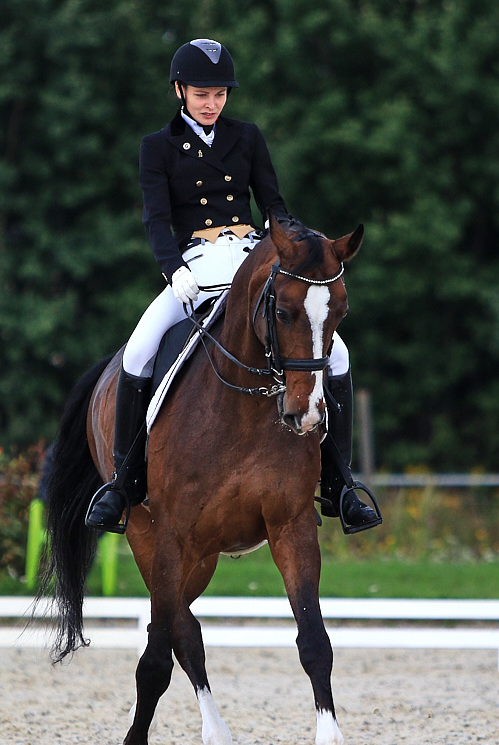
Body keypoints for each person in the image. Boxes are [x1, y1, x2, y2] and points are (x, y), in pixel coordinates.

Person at [85, 38, 381, 536]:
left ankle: (340, 485)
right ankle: (124, 483)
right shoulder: (157, 147)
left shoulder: (247, 137)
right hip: (195, 265)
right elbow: (156, 221)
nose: (212, 103)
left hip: (251, 261)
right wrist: (173, 269)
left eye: (220, 94)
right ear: (180, 91)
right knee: (138, 351)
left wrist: (301, 241)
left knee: (340, 356)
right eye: (203, 94)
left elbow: (273, 205)